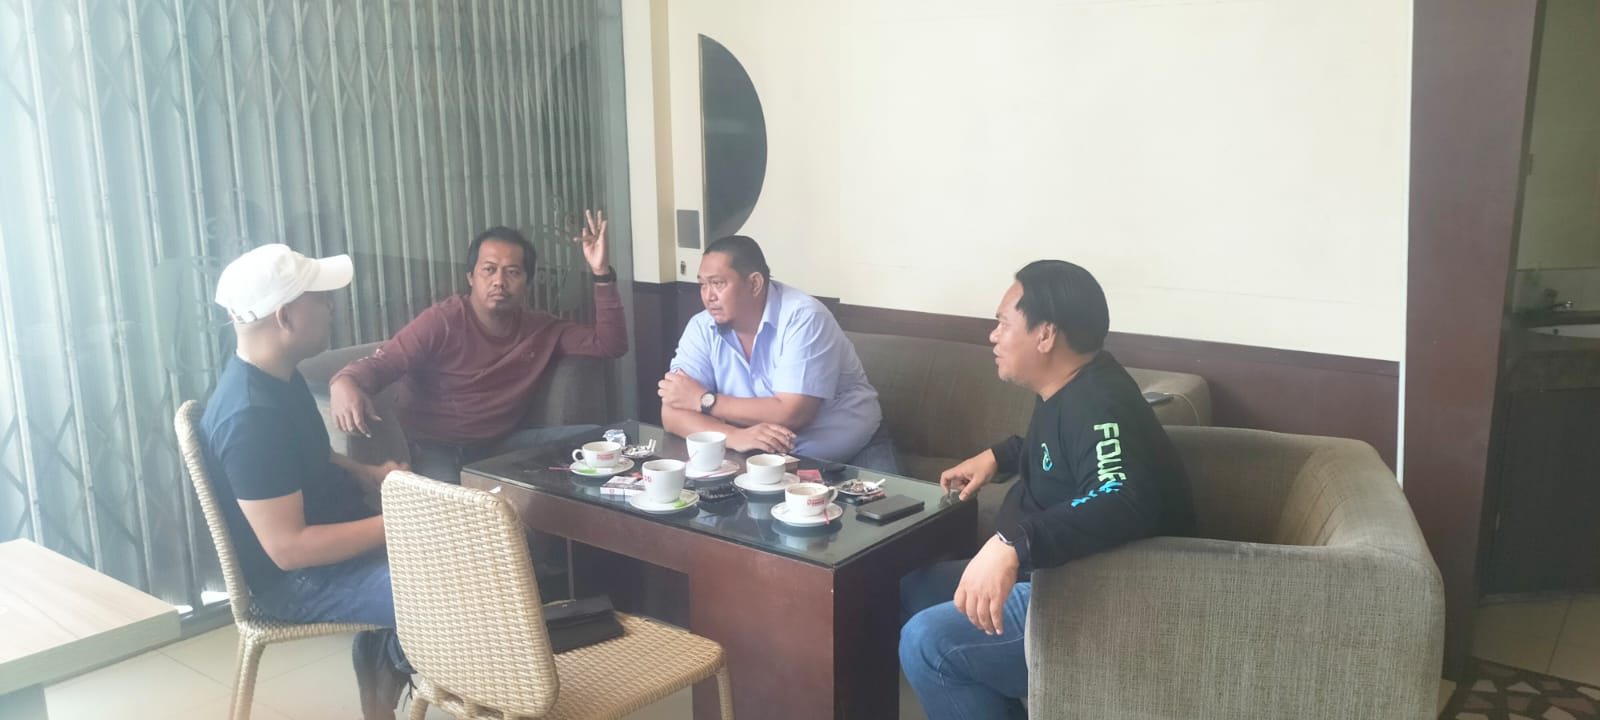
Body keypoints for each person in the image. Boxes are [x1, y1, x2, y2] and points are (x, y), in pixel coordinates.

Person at [898, 260, 1196, 720]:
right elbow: (1062, 450)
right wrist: (998, 456)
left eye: (1003, 323)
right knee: (910, 590)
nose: (993, 336)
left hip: (1104, 591)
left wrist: (1013, 543)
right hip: (1054, 568)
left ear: (1045, 335)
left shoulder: (1100, 403)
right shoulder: (1071, 386)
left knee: (927, 642)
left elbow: (1122, 494)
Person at [200, 244, 412, 719]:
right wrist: (400, 522)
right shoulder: (249, 416)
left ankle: (383, 659)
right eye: (319, 298)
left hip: (335, 552)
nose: (331, 307)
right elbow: (289, 548)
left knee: (471, 555)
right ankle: (392, 662)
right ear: (285, 317)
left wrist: (373, 474)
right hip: (299, 582)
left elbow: (314, 457)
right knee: (453, 592)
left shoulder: (277, 377)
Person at [329, 213, 626, 483]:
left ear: (527, 282)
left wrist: (601, 273)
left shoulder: (540, 329)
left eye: (513, 272)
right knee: (452, 509)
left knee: (601, 443)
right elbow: (386, 362)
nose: (499, 281)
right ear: (471, 277)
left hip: (500, 447)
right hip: (435, 448)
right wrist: (345, 380)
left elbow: (610, 344)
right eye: (489, 270)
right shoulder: (442, 321)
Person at [656, 235, 896, 472]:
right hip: (761, 456)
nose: (708, 296)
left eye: (718, 283)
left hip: (850, 454)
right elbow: (672, 412)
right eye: (702, 284)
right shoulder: (701, 326)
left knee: (896, 499)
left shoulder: (804, 317)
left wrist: (704, 400)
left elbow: (792, 413)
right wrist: (735, 436)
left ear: (754, 284)